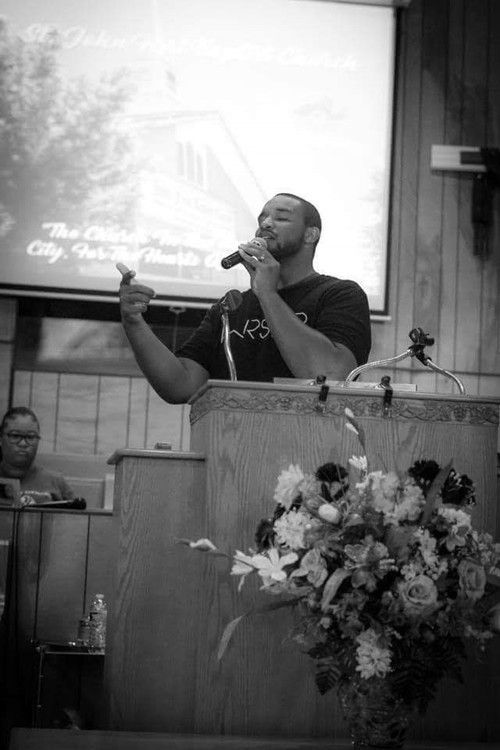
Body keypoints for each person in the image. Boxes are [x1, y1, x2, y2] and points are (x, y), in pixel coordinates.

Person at [118, 192, 371, 404]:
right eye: (262, 218)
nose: (266, 224)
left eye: (281, 218)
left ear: (310, 235)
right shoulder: (231, 308)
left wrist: (268, 294)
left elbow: (331, 375)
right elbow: (180, 386)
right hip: (235, 439)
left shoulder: (339, 294)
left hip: (310, 442)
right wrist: (133, 322)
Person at [0, 407, 74, 502]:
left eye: (30, 437)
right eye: (15, 436)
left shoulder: (56, 483)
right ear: (1, 439)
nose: (23, 443)